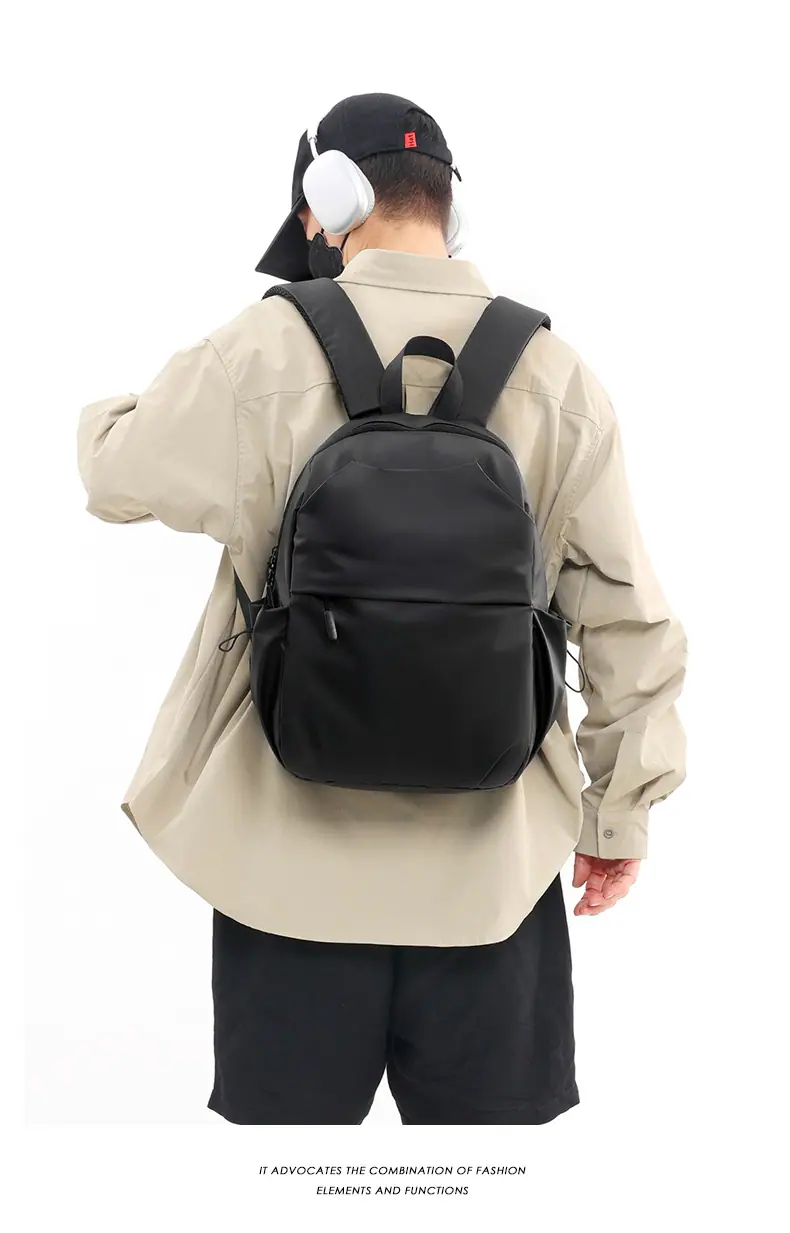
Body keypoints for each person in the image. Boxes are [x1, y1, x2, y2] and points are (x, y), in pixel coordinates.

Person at [76, 93, 687, 1126]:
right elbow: (627, 618)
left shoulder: (261, 352)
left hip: (286, 877)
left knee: (285, 1183)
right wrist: (617, 814)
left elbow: (109, 473)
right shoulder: (555, 374)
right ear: (452, 207)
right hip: (494, 883)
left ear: (327, 201)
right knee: (494, 1187)